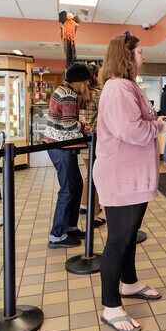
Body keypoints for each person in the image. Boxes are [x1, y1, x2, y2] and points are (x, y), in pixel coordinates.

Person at [94, 31, 166, 331]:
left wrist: (154, 122)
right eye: (140, 52)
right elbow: (132, 130)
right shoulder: (118, 88)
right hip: (121, 176)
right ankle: (110, 306)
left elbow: (137, 125)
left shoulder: (126, 86)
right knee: (118, 241)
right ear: (126, 56)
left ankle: (129, 283)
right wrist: (157, 125)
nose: (143, 56)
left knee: (128, 236)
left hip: (131, 176)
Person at [44, 63, 91, 248]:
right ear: (79, 81)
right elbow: (69, 125)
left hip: (56, 145)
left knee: (76, 185)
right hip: (60, 147)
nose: (87, 84)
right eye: (86, 80)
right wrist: (82, 126)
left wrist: (77, 124)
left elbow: (65, 121)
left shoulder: (61, 90)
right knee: (68, 189)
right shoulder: (69, 96)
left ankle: (70, 227)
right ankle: (57, 235)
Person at [78, 62, 105, 228]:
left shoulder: (80, 93)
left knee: (89, 174)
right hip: (96, 140)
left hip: (83, 138)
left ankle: (84, 204)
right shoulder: (98, 93)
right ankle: (94, 214)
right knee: (95, 177)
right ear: (95, 77)